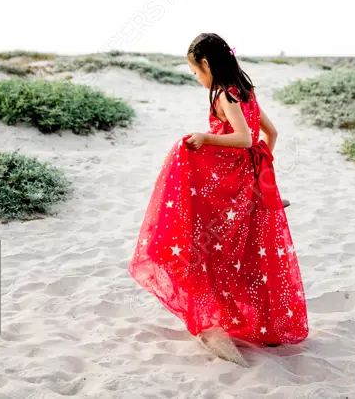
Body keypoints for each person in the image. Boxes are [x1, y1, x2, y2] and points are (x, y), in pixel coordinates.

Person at [128, 33, 309, 365]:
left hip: (235, 185)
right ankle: (258, 325)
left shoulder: (225, 94)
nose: (197, 79)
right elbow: (271, 135)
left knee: (214, 246)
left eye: (196, 72)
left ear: (206, 64)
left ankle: (214, 320)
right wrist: (260, 169)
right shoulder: (247, 92)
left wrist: (205, 138)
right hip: (252, 183)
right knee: (251, 251)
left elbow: (244, 138)